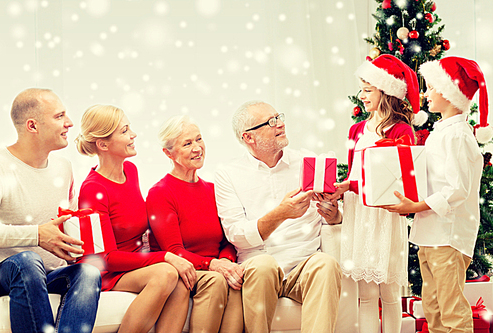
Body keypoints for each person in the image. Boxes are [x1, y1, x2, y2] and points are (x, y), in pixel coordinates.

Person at [214, 100, 343, 333]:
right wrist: (281, 214)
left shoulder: (308, 161)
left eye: (279, 117)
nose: (280, 124)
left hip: (304, 264)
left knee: (326, 263)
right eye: (271, 122)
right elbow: (236, 235)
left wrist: (333, 214)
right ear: (248, 138)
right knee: (263, 266)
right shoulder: (228, 174)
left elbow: (330, 219)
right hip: (260, 265)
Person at [382, 56, 490, 332]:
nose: (426, 94)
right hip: (429, 233)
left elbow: (457, 189)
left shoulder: (457, 135)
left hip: (447, 236)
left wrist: (417, 205)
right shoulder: (440, 132)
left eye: (431, 88)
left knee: (450, 308)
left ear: (450, 92)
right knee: (432, 307)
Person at [76, 104, 193, 333]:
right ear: (103, 144)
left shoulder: (131, 171)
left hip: (134, 265)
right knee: (166, 272)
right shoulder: (92, 189)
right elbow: (105, 258)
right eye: (124, 131)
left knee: (179, 281)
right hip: (107, 272)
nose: (133, 135)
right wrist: (166, 257)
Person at [0, 88, 102, 333]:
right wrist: (38, 235)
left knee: (88, 272)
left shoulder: (64, 167)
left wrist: (73, 246)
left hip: (50, 273)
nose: (69, 123)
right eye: (59, 116)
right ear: (33, 126)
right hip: (8, 273)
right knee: (28, 261)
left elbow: (67, 222)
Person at [327, 54, 422, 333]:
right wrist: (341, 189)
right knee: (365, 296)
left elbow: (398, 181)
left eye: (368, 89)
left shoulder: (402, 131)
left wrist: (352, 186)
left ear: (386, 91)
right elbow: (354, 172)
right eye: (362, 89)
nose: (362, 95)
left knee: (390, 295)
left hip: (385, 217)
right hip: (359, 214)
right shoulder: (356, 129)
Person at [146, 115, 243, 333]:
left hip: (213, 267)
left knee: (236, 280)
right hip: (184, 269)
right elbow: (173, 251)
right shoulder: (160, 193)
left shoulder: (212, 189)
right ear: (168, 153)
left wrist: (226, 261)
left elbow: (228, 240)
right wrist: (214, 265)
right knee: (217, 280)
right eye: (187, 144)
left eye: (199, 139)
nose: (197, 148)